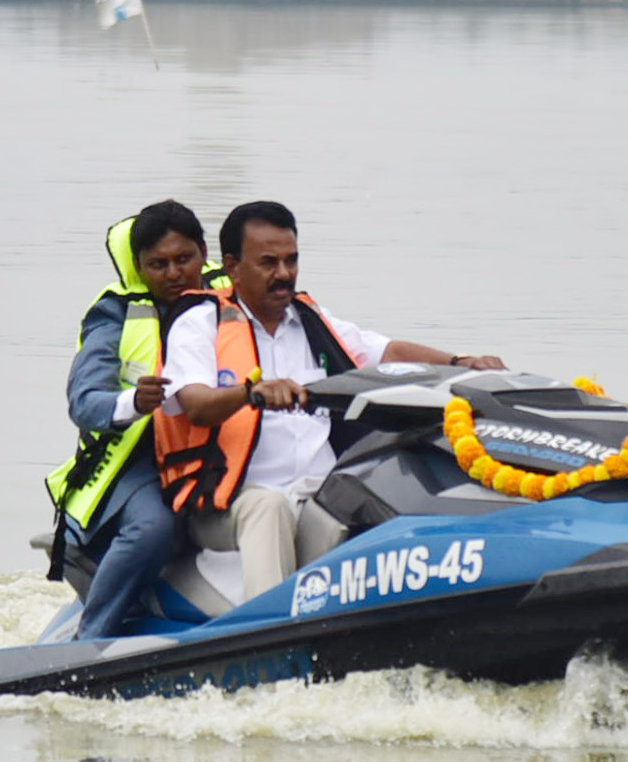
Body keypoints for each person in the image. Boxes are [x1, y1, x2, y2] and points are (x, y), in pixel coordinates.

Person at [153, 200, 504, 597]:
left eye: (291, 260)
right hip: (227, 502)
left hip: (318, 489)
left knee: (393, 482)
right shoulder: (199, 323)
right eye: (269, 263)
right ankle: (269, 632)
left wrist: (461, 362)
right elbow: (196, 404)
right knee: (268, 508)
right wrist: (250, 393)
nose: (283, 274)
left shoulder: (310, 318)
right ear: (233, 266)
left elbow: (385, 352)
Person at [46, 201, 213, 639]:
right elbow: (84, 401)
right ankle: (90, 641)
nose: (174, 273)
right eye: (158, 264)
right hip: (140, 463)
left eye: (183, 259)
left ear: (204, 252)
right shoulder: (114, 315)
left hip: (220, 448)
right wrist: (133, 402)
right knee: (153, 528)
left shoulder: (232, 301)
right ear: (139, 267)